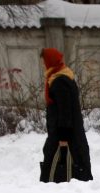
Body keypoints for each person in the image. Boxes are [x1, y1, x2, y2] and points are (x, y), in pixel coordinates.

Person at [39, 48, 92, 183]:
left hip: (65, 135)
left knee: (62, 173)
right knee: (74, 171)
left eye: (44, 62)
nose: (43, 65)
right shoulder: (61, 76)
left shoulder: (59, 81)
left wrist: (63, 139)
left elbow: (65, 112)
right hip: (68, 134)